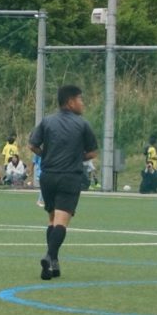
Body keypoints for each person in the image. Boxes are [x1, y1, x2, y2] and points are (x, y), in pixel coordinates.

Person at [29, 84, 98, 280]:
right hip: (69, 177)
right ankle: (49, 255)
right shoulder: (82, 124)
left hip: (48, 177)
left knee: (52, 219)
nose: (82, 103)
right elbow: (93, 152)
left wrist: (46, 155)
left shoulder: (47, 121)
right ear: (70, 102)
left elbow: (32, 145)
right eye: (80, 99)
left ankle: (53, 263)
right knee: (61, 222)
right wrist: (76, 157)